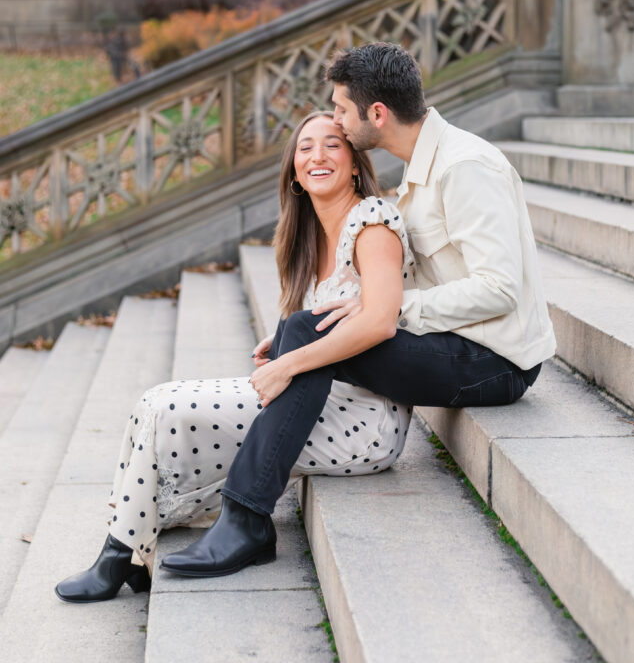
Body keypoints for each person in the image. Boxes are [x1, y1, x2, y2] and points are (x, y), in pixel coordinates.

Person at [152, 42, 555, 580]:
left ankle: (246, 516)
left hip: (496, 363)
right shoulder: (420, 173)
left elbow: (499, 289)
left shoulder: (464, 167)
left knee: (306, 334)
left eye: (341, 110)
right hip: (454, 343)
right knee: (305, 330)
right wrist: (321, 334)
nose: (337, 122)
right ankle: (244, 515)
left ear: (377, 114)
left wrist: (376, 311)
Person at [54, 110, 414, 603]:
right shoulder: (308, 239)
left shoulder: (373, 221)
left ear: (354, 162)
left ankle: (122, 556)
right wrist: (285, 343)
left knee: (166, 411)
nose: (317, 156)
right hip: (313, 400)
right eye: (305, 148)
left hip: (361, 418)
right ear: (293, 172)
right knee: (152, 401)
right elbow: (324, 324)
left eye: (332, 144)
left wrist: (290, 361)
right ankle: (122, 552)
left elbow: (380, 320)